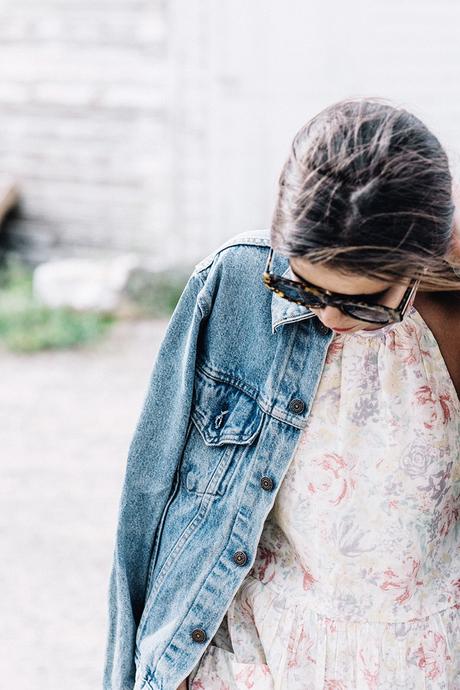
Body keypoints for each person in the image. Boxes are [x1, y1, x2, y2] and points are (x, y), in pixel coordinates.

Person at [103, 97, 460, 690]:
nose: (329, 318)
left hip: (415, 661)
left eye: (364, 303)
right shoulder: (234, 284)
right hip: (252, 653)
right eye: (302, 288)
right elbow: (148, 501)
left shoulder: (449, 318)